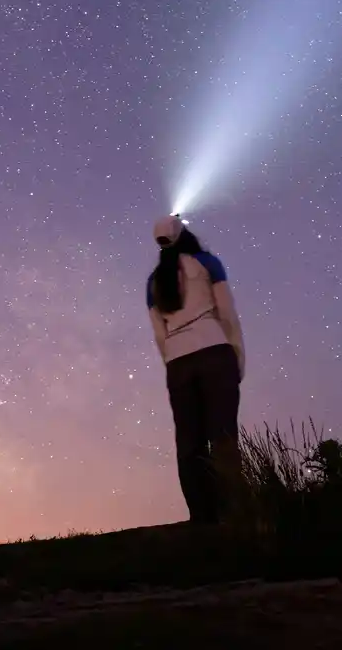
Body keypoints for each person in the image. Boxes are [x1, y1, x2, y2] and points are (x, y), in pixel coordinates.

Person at [146, 214, 246, 524]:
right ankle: (234, 512)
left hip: (178, 362)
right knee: (224, 436)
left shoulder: (154, 281)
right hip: (214, 350)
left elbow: (159, 335)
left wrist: (173, 363)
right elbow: (227, 314)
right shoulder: (207, 263)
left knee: (189, 443)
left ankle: (202, 519)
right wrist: (237, 354)